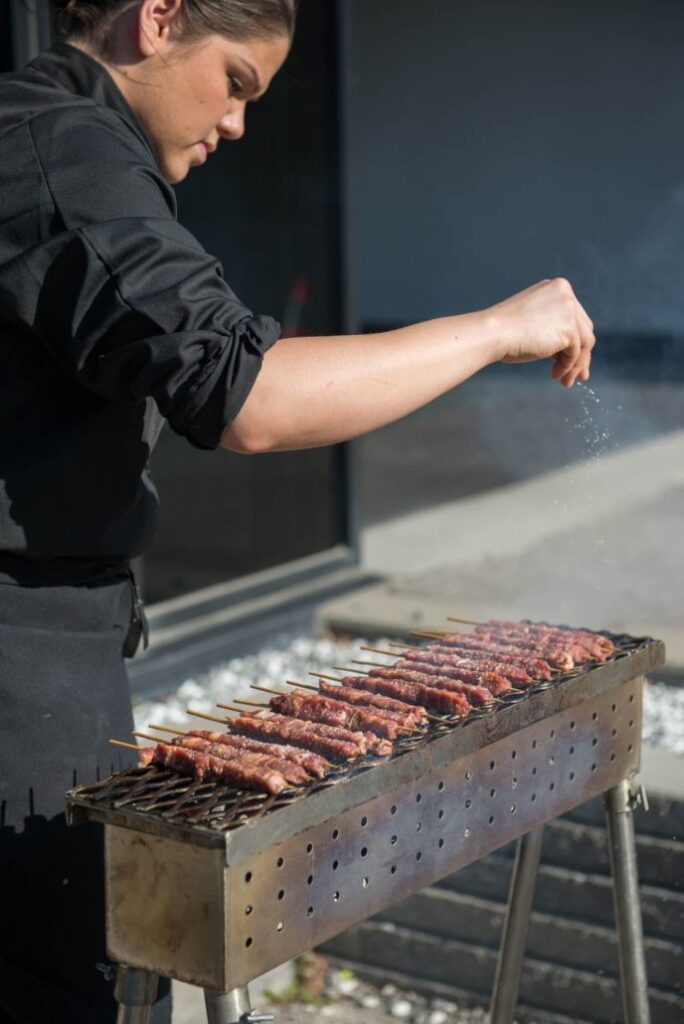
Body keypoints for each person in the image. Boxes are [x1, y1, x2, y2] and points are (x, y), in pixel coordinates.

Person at [0, 1, 595, 1021]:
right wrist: (497, 328)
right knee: (70, 986)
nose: (237, 124)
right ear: (158, 18)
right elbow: (247, 395)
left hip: (55, 631)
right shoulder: (68, 149)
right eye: (234, 80)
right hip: (20, 647)